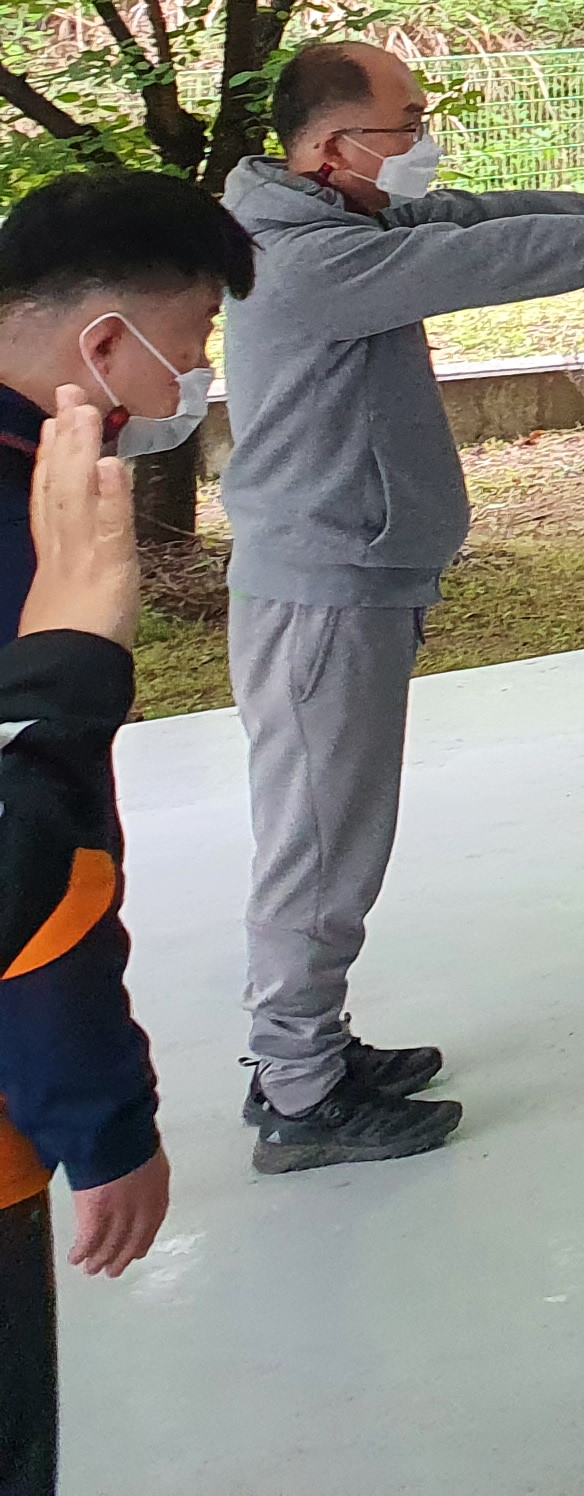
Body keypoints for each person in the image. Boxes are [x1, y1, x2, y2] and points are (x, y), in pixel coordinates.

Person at [224, 37, 584, 1170]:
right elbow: (493, 259)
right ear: (332, 147)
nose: (425, 143)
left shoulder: (340, 221)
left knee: (335, 835)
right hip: (323, 592)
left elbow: (487, 213)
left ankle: (310, 1046)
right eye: (406, 125)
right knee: (318, 846)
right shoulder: (307, 261)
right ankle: (299, 1092)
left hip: (353, 578)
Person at [0, 177, 245, 1485]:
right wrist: (103, 1123)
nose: (196, 374)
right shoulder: (35, 534)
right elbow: (41, 866)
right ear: (104, 342)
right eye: (195, 334)